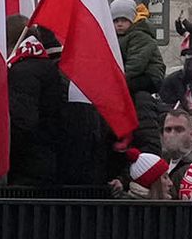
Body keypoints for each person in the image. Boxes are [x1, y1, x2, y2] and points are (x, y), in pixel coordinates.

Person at [6, 24, 119, 195]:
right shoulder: (71, 76)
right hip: (82, 173)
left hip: (39, 172)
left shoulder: (27, 72)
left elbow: (23, 124)